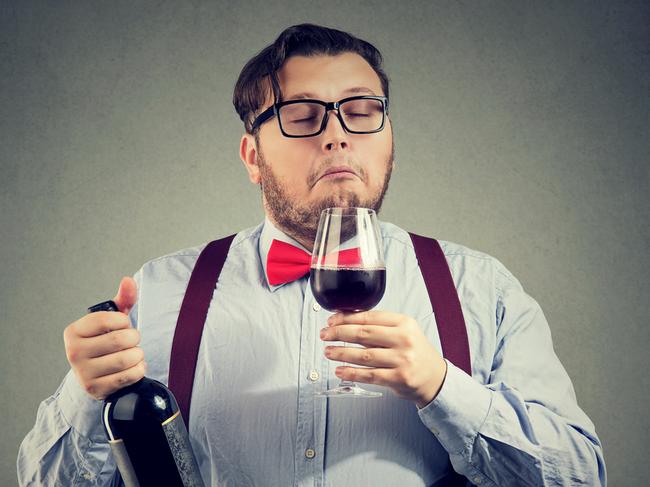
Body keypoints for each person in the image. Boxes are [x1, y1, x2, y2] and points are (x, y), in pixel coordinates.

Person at [18, 23, 606, 486]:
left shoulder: (485, 288)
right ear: (252, 157)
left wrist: (440, 388)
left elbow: (580, 475)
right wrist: (87, 393)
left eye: (361, 110)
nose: (338, 133)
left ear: (388, 139)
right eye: (302, 116)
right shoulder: (159, 294)